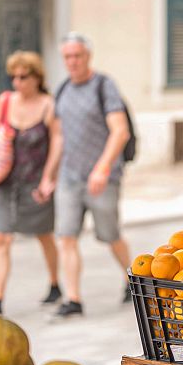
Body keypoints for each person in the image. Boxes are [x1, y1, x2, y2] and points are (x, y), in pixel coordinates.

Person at [49, 32, 132, 318]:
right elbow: (58, 138)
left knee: (110, 235)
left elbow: (120, 131)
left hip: (103, 177)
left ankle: (131, 280)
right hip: (70, 177)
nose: (72, 62)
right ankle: (73, 299)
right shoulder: (62, 90)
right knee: (66, 237)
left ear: (88, 57)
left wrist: (102, 167)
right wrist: (49, 174)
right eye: (67, 57)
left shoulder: (103, 86)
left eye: (77, 56)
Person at [0, 51, 62, 315]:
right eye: (13, 77)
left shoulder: (49, 105)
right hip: (5, 183)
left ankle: (55, 283)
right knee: (1, 237)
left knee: (44, 235)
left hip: (35, 183)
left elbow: (58, 143)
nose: (17, 82)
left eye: (23, 77)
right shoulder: (4, 101)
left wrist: (49, 178)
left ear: (37, 77)